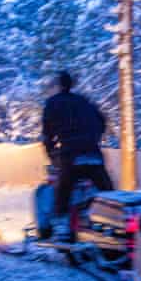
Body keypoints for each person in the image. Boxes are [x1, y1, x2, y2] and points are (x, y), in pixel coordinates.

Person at [42, 71, 114, 219]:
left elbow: (47, 134)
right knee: (109, 194)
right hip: (94, 153)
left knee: (63, 191)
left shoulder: (52, 103)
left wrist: (52, 154)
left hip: (71, 155)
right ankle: (115, 218)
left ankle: (61, 225)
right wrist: (94, 138)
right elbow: (102, 121)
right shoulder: (84, 101)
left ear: (60, 85)